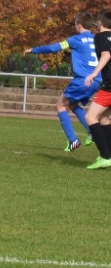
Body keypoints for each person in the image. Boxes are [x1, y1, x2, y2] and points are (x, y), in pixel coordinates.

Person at [23, 12, 98, 151]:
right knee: (72, 104)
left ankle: (73, 140)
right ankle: (91, 131)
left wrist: (33, 50)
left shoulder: (75, 39)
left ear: (79, 25)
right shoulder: (97, 39)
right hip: (97, 80)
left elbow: (53, 48)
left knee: (60, 106)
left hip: (82, 80)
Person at [82, 10, 111, 169]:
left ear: (99, 22)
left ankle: (105, 156)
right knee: (104, 119)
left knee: (90, 117)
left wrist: (93, 73)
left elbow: (106, 55)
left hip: (109, 86)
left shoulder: (100, 37)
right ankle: (109, 155)